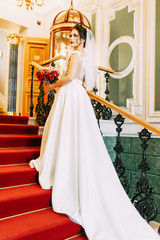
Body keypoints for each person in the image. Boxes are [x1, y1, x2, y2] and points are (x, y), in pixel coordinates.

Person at [30, 24, 160, 240]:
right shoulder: (82, 55)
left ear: (82, 39)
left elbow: (71, 78)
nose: (70, 38)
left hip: (71, 94)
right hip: (76, 96)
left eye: (74, 36)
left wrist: (51, 86)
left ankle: (59, 168)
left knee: (66, 133)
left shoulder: (74, 55)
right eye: (70, 35)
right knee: (72, 135)